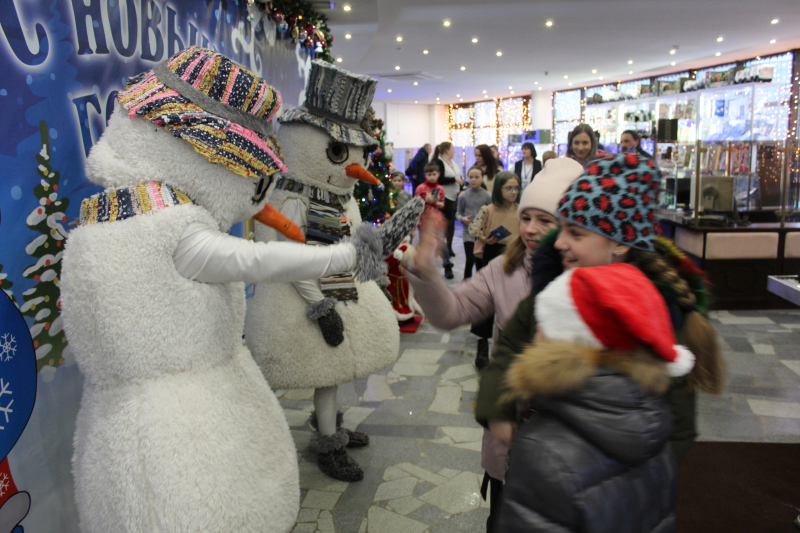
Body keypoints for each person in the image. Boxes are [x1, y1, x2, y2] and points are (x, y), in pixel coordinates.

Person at [474, 152, 724, 531]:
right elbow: (510, 346)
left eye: (576, 233)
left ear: (619, 245)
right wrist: (498, 404)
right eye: (564, 229)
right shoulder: (557, 281)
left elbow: (679, 424)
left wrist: (636, 484)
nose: (559, 243)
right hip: (554, 469)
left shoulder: (659, 309)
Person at [405, 158, 586, 533]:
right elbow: (452, 312)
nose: (532, 229)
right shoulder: (505, 269)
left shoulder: (590, 281)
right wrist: (426, 273)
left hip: (571, 443)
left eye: (545, 220)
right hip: (513, 433)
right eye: (527, 217)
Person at [456, 166, 492, 279]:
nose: (473, 180)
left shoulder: (487, 196)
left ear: (482, 178)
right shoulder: (463, 195)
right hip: (468, 232)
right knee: (470, 259)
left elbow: (492, 213)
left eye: (476, 177)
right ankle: (466, 283)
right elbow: (458, 213)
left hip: (482, 234)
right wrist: (462, 219)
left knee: (480, 261)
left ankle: (480, 285)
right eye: (471, 177)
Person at [432, 141, 464, 264]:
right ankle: (442, 247)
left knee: (452, 223)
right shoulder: (439, 162)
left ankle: (449, 246)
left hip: (454, 196)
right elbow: (439, 179)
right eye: (452, 149)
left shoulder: (453, 163)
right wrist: (454, 179)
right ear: (447, 150)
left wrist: (460, 185)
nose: (454, 151)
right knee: (445, 223)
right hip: (445, 197)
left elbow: (458, 176)